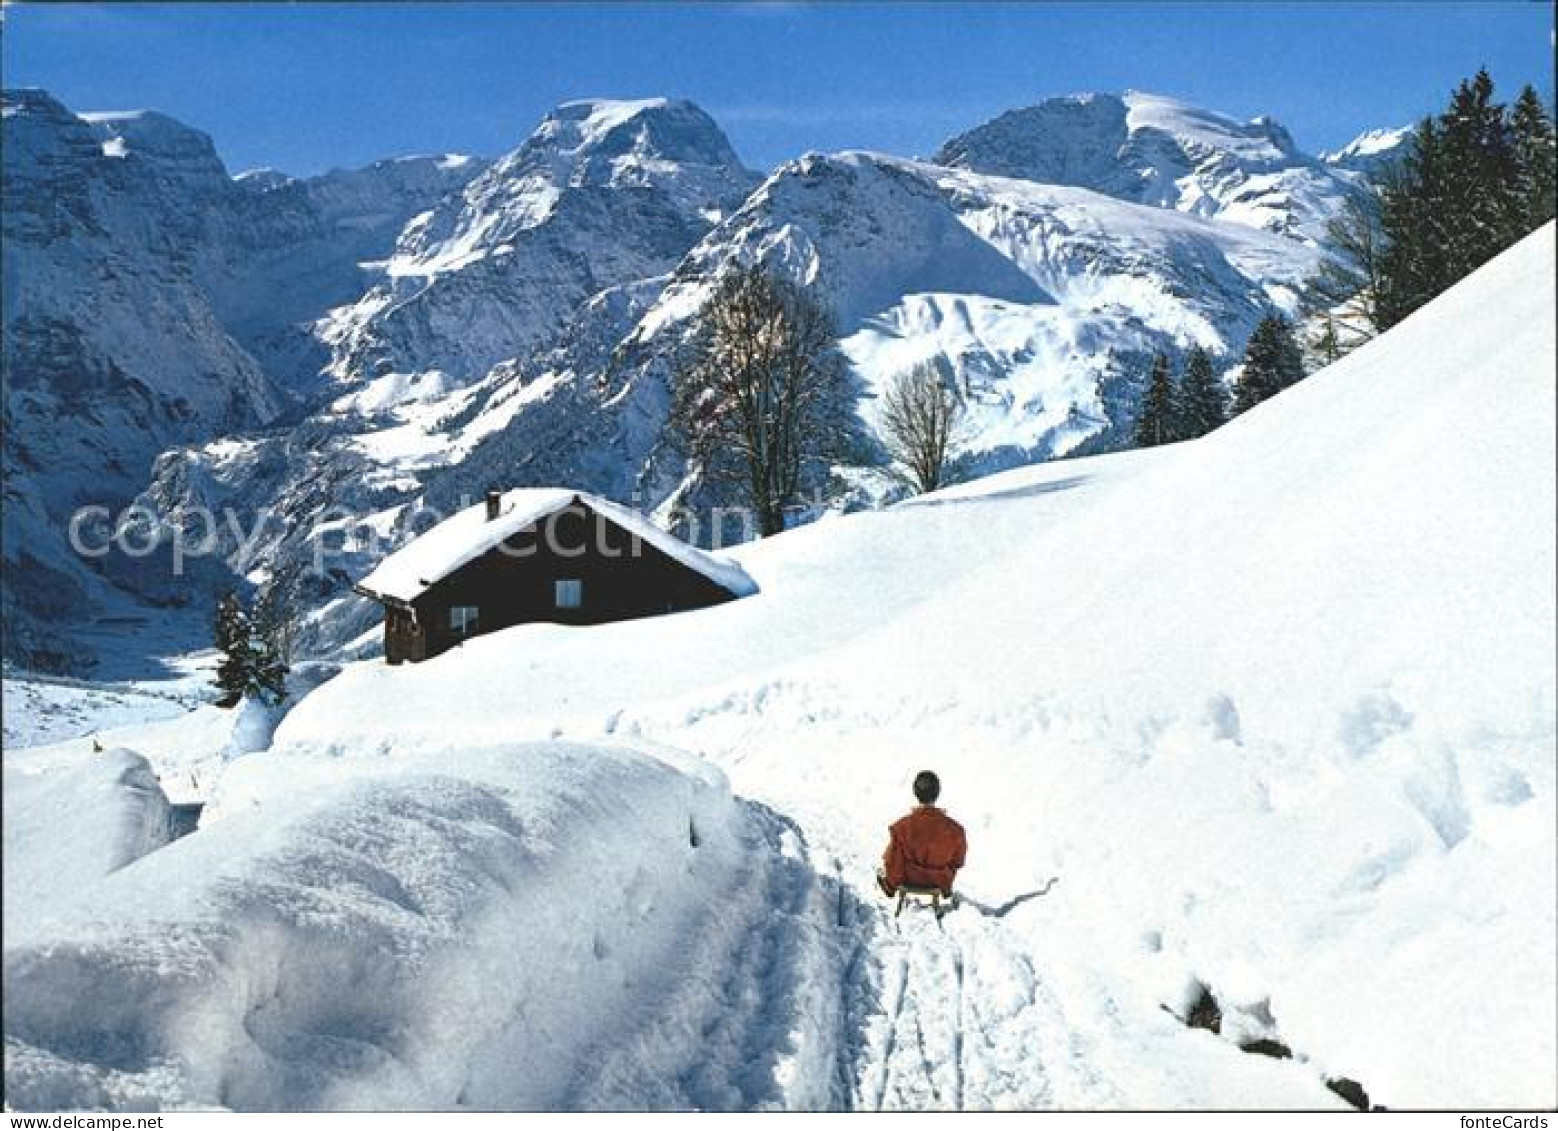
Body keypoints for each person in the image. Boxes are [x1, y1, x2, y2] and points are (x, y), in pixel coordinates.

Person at [876, 770, 967, 898]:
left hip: (908, 879)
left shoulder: (901, 827)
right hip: (940, 881)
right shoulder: (956, 829)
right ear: (938, 792)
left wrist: (890, 886)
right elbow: (958, 862)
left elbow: (894, 863)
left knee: (889, 855)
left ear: (915, 792)